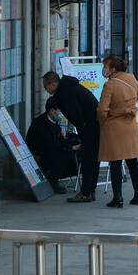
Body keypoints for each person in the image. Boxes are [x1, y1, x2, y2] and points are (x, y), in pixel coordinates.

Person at [43, 70, 101, 202]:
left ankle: (86, 192)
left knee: (87, 159)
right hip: (94, 124)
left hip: (90, 126)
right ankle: (90, 190)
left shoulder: (65, 92)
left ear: (52, 84)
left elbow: (76, 113)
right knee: (93, 158)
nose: (45, 89)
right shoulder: (68, 87)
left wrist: (82, 134)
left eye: (46, 86)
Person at [96, 54, 138, 209]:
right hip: (131, 125)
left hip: (114, 126)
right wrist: (134, 112)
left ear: (113, 69)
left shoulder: (110, 84)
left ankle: (118, 198)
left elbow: (102, 109)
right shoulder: (132, 78)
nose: (104, 69)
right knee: (132, 161)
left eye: (106, 66)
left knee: (115, 162)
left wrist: (104, 123)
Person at [25, 96, 80, 192]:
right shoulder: (41, 124)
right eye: (59, 111)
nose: (60, 114)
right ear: (52, 111)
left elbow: (60, 140)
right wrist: (72, 147)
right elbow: (51, 144)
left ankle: (56, 177)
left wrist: (75, 143)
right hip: (39, 155)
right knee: (63, 153)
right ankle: (52, 180)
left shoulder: (54, 122)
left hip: (49, 151)